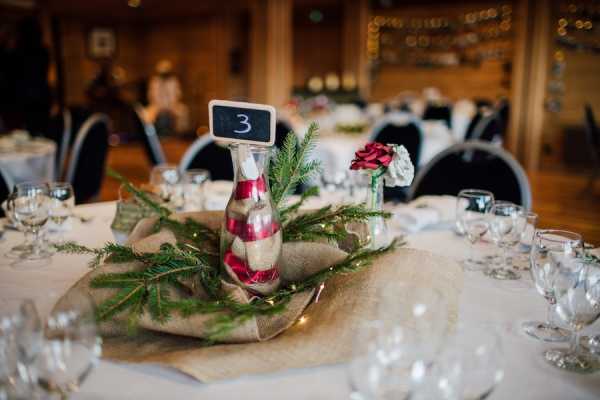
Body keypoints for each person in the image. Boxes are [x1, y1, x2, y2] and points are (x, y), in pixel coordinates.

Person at [2, 17, 51, 136]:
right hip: (40, 100)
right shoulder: (43, 52)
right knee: (38, 135)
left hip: (19, 102)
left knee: (18, 137)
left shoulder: (15, 54)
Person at [145, 59, 189, 135]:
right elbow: (151, 96)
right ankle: (150, 133)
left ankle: (180, 133)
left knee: (183, 111)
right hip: (157, 106)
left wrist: (170, 106)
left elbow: (178, 95)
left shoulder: (174, 81)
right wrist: (160, 107)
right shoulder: (154, 81)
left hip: (172, 105)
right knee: (146, 114)